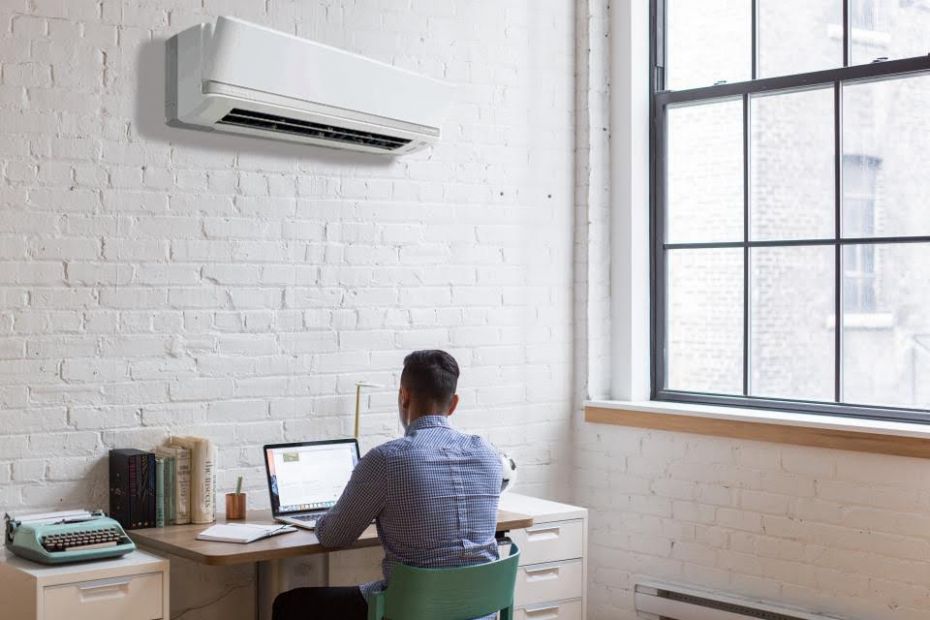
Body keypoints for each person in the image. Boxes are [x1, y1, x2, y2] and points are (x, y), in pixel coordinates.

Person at [272, 349, 502, 620]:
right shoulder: (489, 454)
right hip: (481, 610)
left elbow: (334, 536)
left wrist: (327, 513)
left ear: (404, 396)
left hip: (412, 611)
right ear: (453, 404)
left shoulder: (387, 459)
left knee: (290, 604)